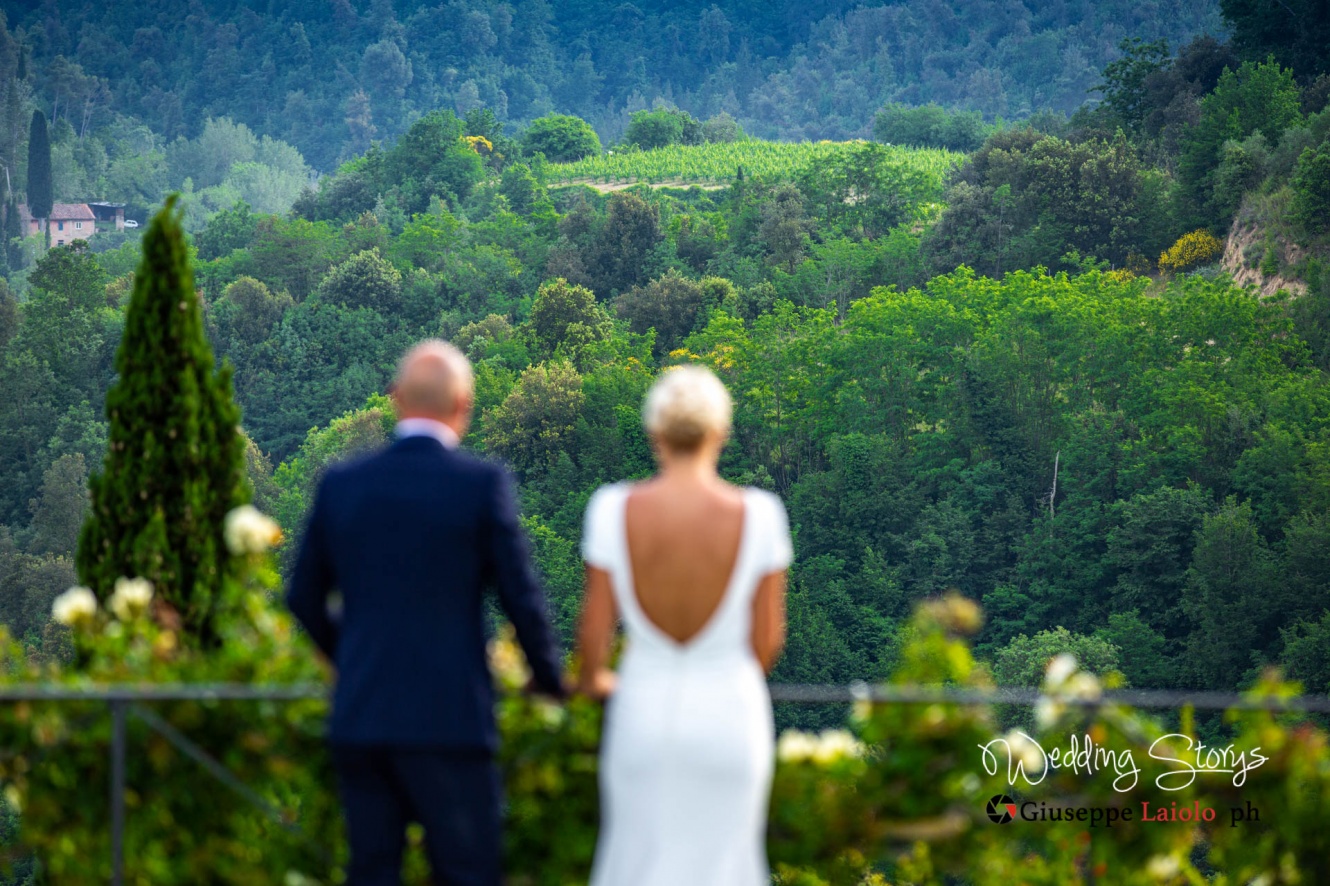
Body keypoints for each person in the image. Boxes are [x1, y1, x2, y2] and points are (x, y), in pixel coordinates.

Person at [287, 339, 567, 886]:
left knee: (371, 870)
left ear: (396, 400)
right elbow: (520, 597)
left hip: (364, 716)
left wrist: (351, 656)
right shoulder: (479, 485)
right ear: (463, 404)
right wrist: (549, 677)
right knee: (466, 871)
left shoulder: (342, 483)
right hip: (451, 718)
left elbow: (302, 595)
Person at [576, 364, 792, 886]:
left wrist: (597, 681)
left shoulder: (611, 509)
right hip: (730, 718)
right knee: (728, 864)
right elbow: (766, 643)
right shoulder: (762, 514)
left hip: (643, 714)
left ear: (655, 435)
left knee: (637, 860)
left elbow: (592, 638)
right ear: (721, 432)